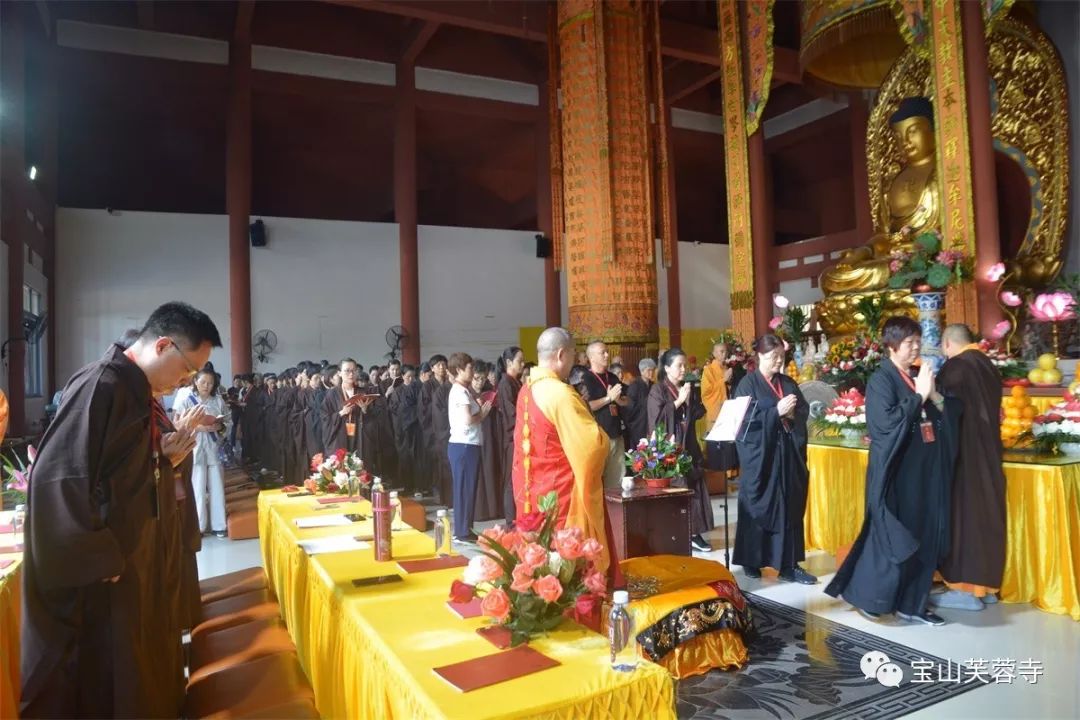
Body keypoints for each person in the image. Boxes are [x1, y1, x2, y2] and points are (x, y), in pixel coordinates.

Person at [21, 302, 221, 718]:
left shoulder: (137, 392)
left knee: (143, 667)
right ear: (163, 345)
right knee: (110, 680)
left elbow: (121, 472)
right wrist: (97, 557)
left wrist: (162, 458)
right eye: (186, 371)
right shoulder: (102, 386)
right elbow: (59, 479)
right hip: (106, 573)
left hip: (138, 558)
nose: (186, 381)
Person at [825, 316, 961, 625]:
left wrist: (933, 395)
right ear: (891, 345)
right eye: (909, 342)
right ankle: (871, 596)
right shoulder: (881, 379)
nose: (916, 347)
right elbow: (884, 425)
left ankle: (912, 604)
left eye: (917, 341)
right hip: (896, 472)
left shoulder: (916, 376)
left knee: (925, 534)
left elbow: (942, 415)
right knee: (894, 538)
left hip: (925, 472)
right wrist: (919, 397)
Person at [512, 328, 611, 572]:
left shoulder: (527, 389)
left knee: (538, 554)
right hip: (560, 492)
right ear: (560, 355)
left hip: (531, 486)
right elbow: (592, 445)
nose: (574, 361)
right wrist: (604, 439)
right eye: (573, 355)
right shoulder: (560, 393)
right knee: (564, 558)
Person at [931, 323, 1007, 611]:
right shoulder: (987, 364)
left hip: (963, 453)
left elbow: (944, 413)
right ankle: (986, 588)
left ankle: (966, 590)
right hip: (988, 452)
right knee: (986, 515)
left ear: (947, 343)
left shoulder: (956, 368)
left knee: (964, 517)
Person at [732, 333, 816, 584]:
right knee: (757, 504)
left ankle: (789, 564)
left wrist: (790, 416)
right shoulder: (747, 385)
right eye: (772, 357)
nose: (778, 361)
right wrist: (775, 413)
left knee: (789, 505)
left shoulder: (788, 383)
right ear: (759, 356)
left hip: (787, 457)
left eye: (781, 356)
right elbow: (744, 422)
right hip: (761, 458)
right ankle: (751, 559)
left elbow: (802, 411)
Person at [648, 348, 714, 553]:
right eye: (679, 365)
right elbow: (657, 420)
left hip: (689, 445)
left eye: (685, 365)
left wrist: (688, 401)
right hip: (670, 448)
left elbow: (698, 413)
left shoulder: (687, 387)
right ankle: (678, 531)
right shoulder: (657, 391)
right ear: (667, 368)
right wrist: (677, 402)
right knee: (678, 489)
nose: (683, 369)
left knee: (695, 488)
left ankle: (695, 532)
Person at [447, 352, 492, 543]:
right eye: (469, 368)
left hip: (467, 445)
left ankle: (466, 528)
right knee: (464, 488)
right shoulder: (459, 391)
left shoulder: (464, 391)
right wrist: (482, 413)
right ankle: (461, 531)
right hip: (464, 445)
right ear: (458, 370)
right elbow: (468, 420)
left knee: (468, 488)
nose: (472, 371)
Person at [181, 368, 230, 537]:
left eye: (210, 383)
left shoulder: (218, 401)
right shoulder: (186, 400)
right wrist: (199, 427)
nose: (206, 386)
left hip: (214, 447)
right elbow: (178, 424)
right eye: (203, 382)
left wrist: (220, 426)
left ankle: (219, 525)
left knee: (217, 486)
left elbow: (227, 421)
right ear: (196, 381)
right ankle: (199, 527)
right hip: (195, 447)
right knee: (197, 487)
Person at [580, 341, 629, 489]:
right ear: (592, 357)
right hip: (597, 436)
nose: (607, 355)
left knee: (617, 480)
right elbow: (587, 406)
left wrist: (618, 400)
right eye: (603, 352)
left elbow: (626, 401)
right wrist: (608, 399)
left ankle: (614, 511)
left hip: (616, 434)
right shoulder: (586, 378)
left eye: (607, 352)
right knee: (596, 481)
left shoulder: (612, 377)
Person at [702, 340, 744, 483]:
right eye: (720, 351)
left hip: (729, 411)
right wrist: (723, 381)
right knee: (718, 445)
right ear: (714, 354)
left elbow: (732, 389)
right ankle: (719, 478)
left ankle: (731, 472)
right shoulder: (708, 370)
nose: (723, 354)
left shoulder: (728, 368)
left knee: (729, 444)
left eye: (725, 351)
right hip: (717, 411)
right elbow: (706, 394)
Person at [496, 346, 525, 523]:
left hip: (521, 437)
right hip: (512, 439)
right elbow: (512, 413)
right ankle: (510, 521)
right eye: (519, 361)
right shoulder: (506, 383)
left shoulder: (517, 382)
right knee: (510, 480)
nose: (522, 364)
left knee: (519, 478)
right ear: (508, 363)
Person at [320, 358, 373, 455]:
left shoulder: (363, 392)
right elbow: (324, 418)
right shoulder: (332, 394)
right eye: (347, 370)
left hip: (359, 437)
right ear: (339, 373)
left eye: (354, 370)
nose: (351, 374)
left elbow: (373, 419)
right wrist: (341, 413)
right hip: (340, 437)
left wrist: (365, 410)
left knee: (358, 467)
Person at [471, 361, 502, 520]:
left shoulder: (489, 392)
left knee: (490, 470)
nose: (479, 382)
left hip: (489, 436)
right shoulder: (466, 393)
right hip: (473, 438)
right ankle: (478, 512)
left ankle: (492, 509)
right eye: (476, 378)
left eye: (482, 379)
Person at [622, 358, 656, 451]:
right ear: (642, 371)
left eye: (653, 370)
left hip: (650, 423)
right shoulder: (634, 386)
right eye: (649, 370)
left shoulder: (653, 385)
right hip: (638, 425)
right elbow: (629, 408)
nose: (651, 373)